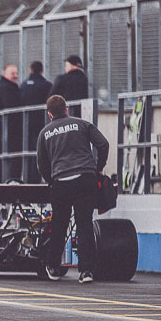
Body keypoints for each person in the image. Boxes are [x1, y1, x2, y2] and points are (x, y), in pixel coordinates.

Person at [36, 95, 109, 284]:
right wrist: (98, 168)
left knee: (60, 225)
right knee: (84, 224)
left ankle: (52, 266)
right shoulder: (82, 124)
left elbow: (41, 164)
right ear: (66, 109)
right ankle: (86, 272)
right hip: (86, 178)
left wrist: (51, 181)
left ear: (49, 114)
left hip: (61, 181)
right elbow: (103, 144)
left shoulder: (45, 133)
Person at [20, 61, 52, 182]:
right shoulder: (47, 85)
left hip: (26, 125)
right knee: (40, 151)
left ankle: (28, 179)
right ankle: (38, 178)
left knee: (27, 151)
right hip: (42, 123)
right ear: (42, 71)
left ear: (30, 70)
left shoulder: (23, 85)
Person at [0, 64, 24, 181]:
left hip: (4, 128)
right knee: (13, 157)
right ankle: (12, 182)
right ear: (4, 74)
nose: (16, 76)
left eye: (16, 73)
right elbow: (12, 107)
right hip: (11, 129)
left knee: (2, 157)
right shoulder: (8, 88)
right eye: (13, 73)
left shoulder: (1, 87)